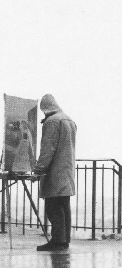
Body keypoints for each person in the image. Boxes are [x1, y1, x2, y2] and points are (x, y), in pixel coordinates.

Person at [32, 94, 77, 251]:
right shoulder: (69, 120)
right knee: (64, 206)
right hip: (67, 171)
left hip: (55, 172)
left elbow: (47, 149)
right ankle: (64, 240)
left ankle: (57, 240)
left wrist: (38, 170)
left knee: (53, 206)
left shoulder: (52, 122)